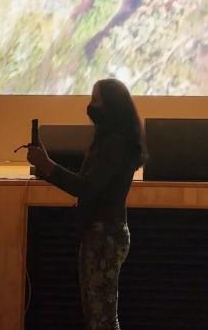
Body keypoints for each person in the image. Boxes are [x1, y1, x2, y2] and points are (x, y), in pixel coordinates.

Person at [27, 78, 145, 330]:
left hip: (105, 236)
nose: (90, 106)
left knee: (102, 316)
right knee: (96, 313)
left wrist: (48, 166)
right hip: (100, 233)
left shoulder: (116, 144)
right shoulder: (109, 142)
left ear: (110, 106)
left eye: (96, 100)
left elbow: (86, 187)